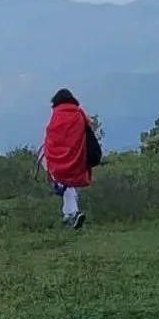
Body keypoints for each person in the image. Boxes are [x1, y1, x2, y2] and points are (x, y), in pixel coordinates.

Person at [41, 88, 94, 228]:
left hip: (57, 158)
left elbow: (51, 135)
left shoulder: (56, 115)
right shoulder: (79, 114)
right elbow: (89, 127)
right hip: (77, 157)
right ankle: (68, 215)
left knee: (64, 182)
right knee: (70, 183)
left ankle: (73, 213)